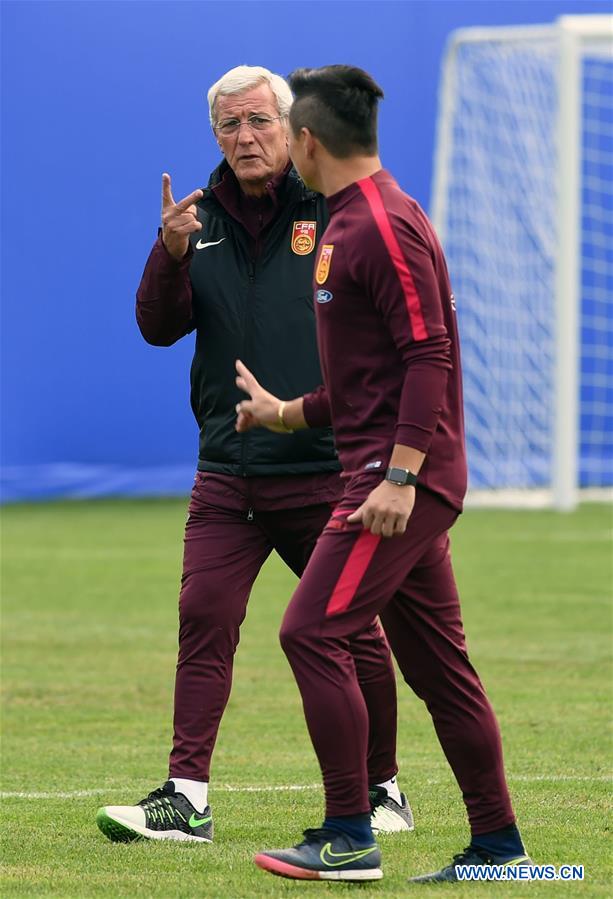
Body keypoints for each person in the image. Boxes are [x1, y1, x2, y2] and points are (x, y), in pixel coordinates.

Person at [95, 66, 413, 846]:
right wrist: (167, 255)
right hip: (227, 469)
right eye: (230, 126)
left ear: (291, 125)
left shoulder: (336, 209)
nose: (245, 137)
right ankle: (185, 797)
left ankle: (382, 791)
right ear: (215, 137)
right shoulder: (192, 220)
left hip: (327, 467)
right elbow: (156, 327)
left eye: (259, 122)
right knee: (203, 618)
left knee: (354, 634)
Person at [236, 65, 532, 883]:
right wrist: (285, 411)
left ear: (305, 139)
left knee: (310, 631)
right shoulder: (346, 222)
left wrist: (399, 477)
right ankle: (500, 851)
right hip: (381, 474)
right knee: (440, 670)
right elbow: (368, 379)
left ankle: (347, 834)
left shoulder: (381, 222)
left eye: (282, 129)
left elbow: (428, 351)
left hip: (394, 486)